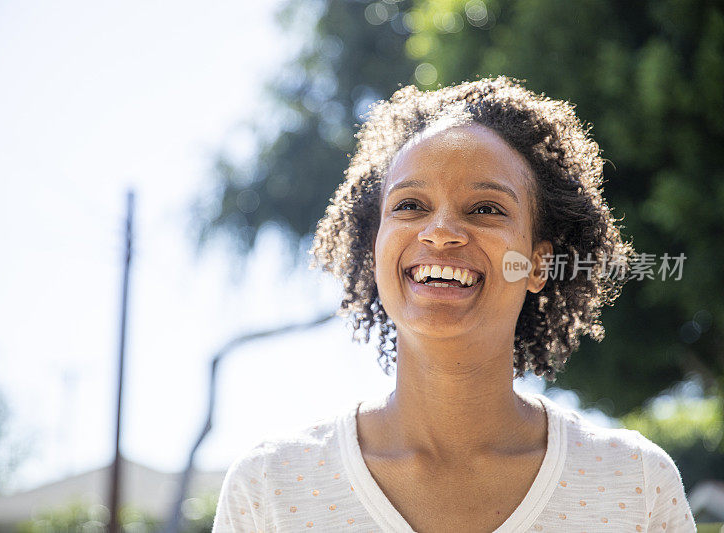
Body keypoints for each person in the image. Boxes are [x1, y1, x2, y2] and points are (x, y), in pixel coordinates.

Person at [211, 76, 697, 532]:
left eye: (486, 209)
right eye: (409, 205)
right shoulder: (271, 487)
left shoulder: (634, 485)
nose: (439, 231)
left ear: (536, 265)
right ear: (374, 246)